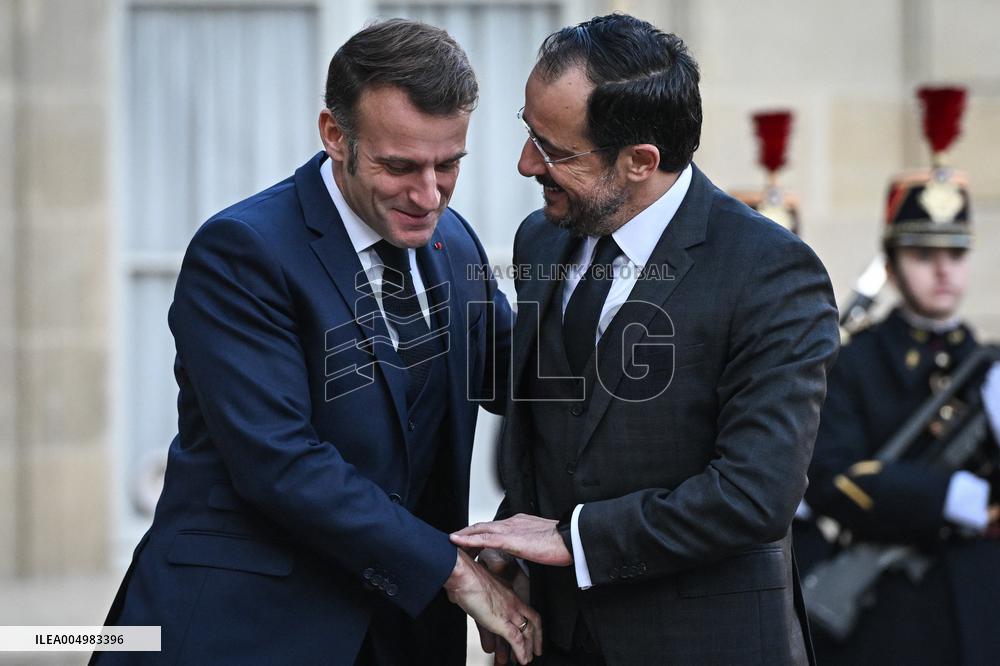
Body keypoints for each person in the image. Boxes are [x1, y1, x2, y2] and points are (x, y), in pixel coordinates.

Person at [94, 19, 541, 666]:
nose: (428, 194)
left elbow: (520, 378)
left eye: (449, 165)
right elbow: (282, 462)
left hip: (404, 634)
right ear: (335, 135)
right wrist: (454, 569)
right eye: (400, 166)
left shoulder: (454, 241)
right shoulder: (243, 252)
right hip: (245, 630)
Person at [451, 14, 840, 666]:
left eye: (554, 150)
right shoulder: (539, 239)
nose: (525, 164)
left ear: (639, 162)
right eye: (529, 130)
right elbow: (551, 429)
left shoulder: (770, 272)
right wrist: (507, 549)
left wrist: (575, 539)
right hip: (553, 641)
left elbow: (755, 494)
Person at [802, 86, 1000, 665]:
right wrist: (956, 498)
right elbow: (833, 477)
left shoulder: (986, 365)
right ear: (890, 265)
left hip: (985, 601)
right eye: (923, 254)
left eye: (956, 254)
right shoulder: (855, 360)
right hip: (896, 615)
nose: (944, 270)